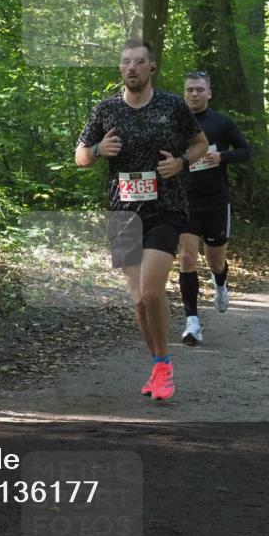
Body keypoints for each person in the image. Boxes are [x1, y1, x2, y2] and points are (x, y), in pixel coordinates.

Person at [75, 39, 208, 401]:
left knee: (151, 291)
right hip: (123, 213)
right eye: (126, 62)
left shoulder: (172, 105)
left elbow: (200, 142)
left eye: (138, 62)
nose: (131, 67)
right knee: (137, 300)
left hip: (165, 208)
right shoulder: (106, 110)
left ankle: (163, 367)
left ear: (152, 67)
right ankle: (158, 364)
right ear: (120, 69)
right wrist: (99, 149)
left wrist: (181, 162)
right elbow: (80, 156)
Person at [177, 71, 251, 346]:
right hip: (185, 201)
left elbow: (246, 150)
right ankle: (192, 323)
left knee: (216, 262)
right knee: (187, 258)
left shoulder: (221, 122)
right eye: (190, 90)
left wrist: (222, 157)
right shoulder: (175, 123)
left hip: (216, 201)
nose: (194, 94)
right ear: (184, 93)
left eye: (199, 89)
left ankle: (220, 284)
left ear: (209, 93)